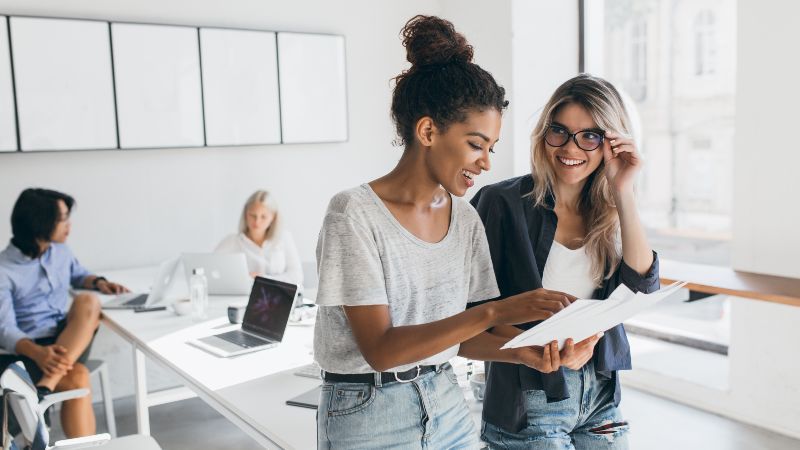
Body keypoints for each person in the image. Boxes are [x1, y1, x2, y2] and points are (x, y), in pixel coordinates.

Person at [312, 15, 595, 449]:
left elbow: (464, 338)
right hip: (367, 409)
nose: (486, 162)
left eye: (492, 149)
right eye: (476, 144)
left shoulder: (464, 219)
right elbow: (382, 350)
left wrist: (525, 351)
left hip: (446, 400)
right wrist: (498, 312)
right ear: (428, 130)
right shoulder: (353, 214)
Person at [470, 74, 660, 449]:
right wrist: (542, 350)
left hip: (601, 396)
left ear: (610, 143)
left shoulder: (610, 211)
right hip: (531, 398)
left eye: (590, 136)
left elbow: (641, 286)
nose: (571, 147)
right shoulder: (500, 203)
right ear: (544, 134)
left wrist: (623, 190)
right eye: (560, 131)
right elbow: (470, 316)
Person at [0, 188, 129, 437]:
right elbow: (5, 330)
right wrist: (38, 353)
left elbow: (78, 275)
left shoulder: (61, 252)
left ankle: (43, 389)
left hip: (67, 341)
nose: (69, 225)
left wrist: (98, 282)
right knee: (78, 377)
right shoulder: (3, 269)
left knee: (88, 301)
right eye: (63, 219)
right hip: (26, 351)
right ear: (41, 222)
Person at [215, 190, 303, 286]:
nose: (257, 222)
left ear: (273, 217)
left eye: (263, 217)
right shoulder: (232, 241)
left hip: (279, 297)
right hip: (244, 298)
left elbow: (297, 277)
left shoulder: (284, 238)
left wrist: (263, 280)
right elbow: (213, 270)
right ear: (245, 214)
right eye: (253, 215)